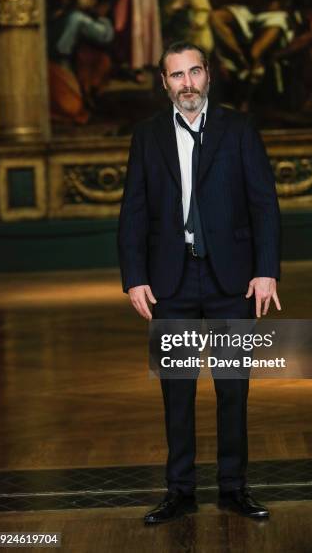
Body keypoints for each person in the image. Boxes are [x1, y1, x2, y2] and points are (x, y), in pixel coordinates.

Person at [117, 41, 281, 524]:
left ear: (208, 75)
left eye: (194, 73)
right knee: (178, 391)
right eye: (176, 76)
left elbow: (264, 205)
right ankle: (179, 492)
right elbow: (133, 211)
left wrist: (266, 269)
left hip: (234, 280)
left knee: (233, 390)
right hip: (172, 280)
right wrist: (134, 278)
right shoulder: (147, 136)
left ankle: (234, 488)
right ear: (164, 83)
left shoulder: (239, 129)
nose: (187, 84)